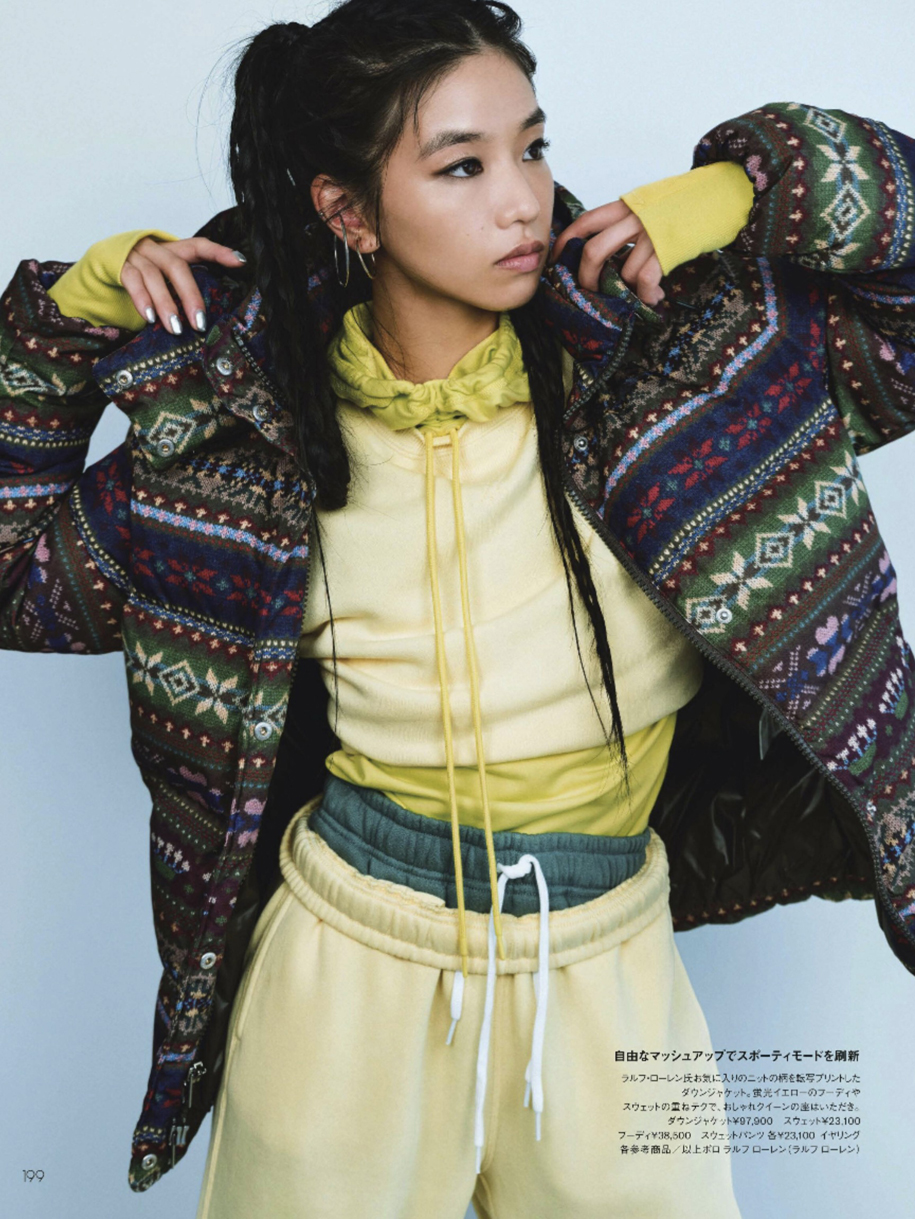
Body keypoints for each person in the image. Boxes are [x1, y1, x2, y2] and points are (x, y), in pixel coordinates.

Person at [3, 0, 915, 1215]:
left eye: (532, 148)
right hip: (343, 983)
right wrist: (70, 311)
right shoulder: (246, 452)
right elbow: (17, 575)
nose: (524, 200)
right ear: (349, 211)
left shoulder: (685, 373)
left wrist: (733, 192)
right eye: (462, 166)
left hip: (611, 968)